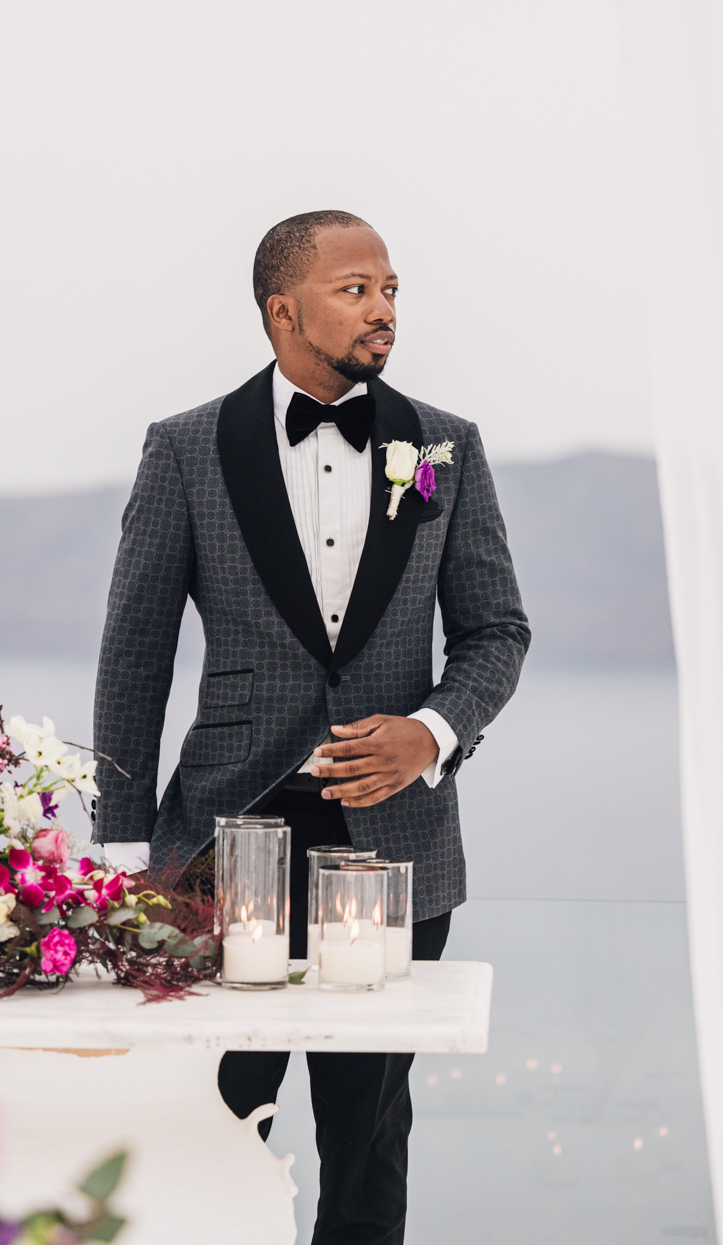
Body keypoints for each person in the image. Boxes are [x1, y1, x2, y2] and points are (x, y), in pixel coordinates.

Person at [92, 210, 530, 1244]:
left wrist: (432, 729)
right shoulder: (186, 449)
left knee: (368, 1135)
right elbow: (135, 657)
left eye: (390, 287)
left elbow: (496, 629)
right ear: (282, 310)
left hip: (393, 852)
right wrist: (120, 852)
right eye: (355, 288)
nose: (382, 309)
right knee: (210, 1120)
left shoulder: (443, 448)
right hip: (220, 849)